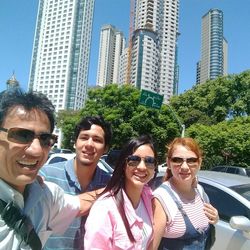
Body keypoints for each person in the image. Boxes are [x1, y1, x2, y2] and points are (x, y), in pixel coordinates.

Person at [0, 89, 96, 250]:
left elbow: (81, 203)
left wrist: (122, 182)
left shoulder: (45, 196)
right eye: (22, 135)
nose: (36, 150)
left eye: (45, 139)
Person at [40, 115, 112, 249]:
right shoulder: (46, 176)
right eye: (84, 137)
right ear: (75, 142)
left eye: (97, 140)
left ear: (106, 148)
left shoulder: (110, 185)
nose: (89, 144)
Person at [84, 135, 157, 249]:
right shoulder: (105, 208)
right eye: (134, 160)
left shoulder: (149, 198)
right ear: (124, 164)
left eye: (149, 161)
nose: (142, 167)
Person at [152, 137, 219, 250]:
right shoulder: (161, 198)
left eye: (191, 160)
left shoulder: (200, 191)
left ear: (199, 163)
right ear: (168, 163)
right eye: (177, 160)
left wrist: (215, 218)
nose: (184, 167)